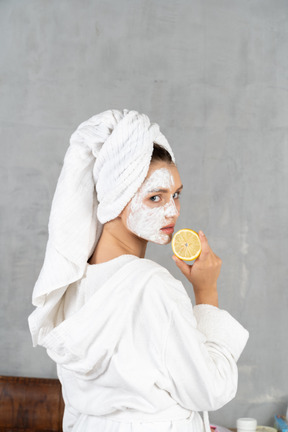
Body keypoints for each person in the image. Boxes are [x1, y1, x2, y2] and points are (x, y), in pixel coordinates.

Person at [28, 109, 249, 432]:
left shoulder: (72, 284)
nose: (172, 210)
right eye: (155, 198)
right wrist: (206, 291)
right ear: (115, 200)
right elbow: (210, 389)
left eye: (176, 195)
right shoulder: (152, 286)